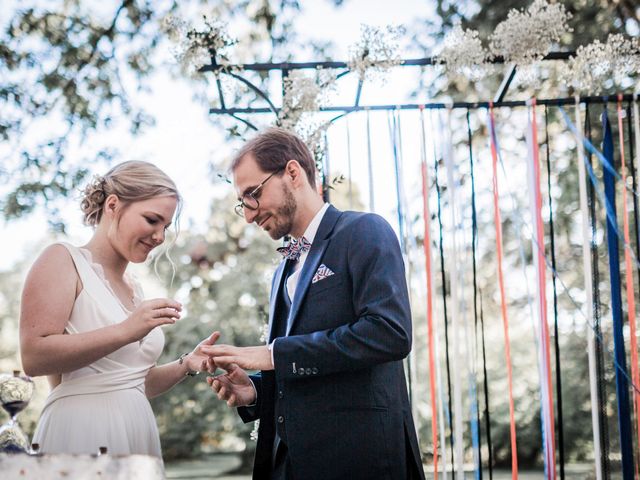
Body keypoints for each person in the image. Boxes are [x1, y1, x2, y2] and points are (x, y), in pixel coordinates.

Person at [203, 128, 425, 480]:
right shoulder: (281, 272)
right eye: (242, 202)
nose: (248, 215)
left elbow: (390, 333)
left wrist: (273, 354)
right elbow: (305, 374)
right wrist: (257, 391)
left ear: (292, 173)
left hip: (359, 462)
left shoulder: (364, 231)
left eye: (253, 195)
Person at [20, 161, 217, 458]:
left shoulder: (134, 288)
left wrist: (187, 363)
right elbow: (34, 356)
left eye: (165, 226)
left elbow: (136, 381)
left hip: (136, 432)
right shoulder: (63, 260)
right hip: (81, 433)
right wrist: (126, 330)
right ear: (113, 205)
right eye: (152, 220)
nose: (160, 237)